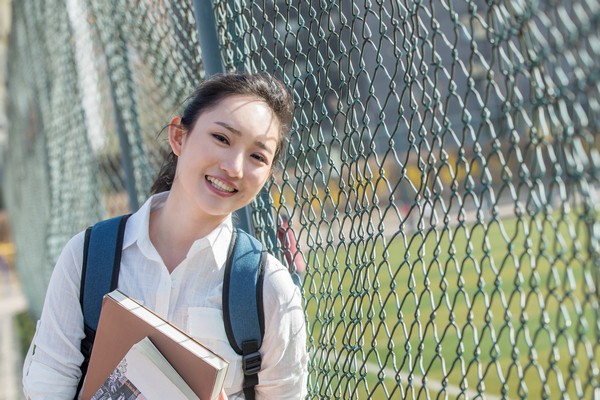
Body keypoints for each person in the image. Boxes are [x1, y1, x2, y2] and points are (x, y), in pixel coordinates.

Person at [22, 73, 308, 399]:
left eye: (257, 156)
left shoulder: (268, 289)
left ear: (268, 174)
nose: (235, 167)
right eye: (222, 138)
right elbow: (48, 385)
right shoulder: (88, 256)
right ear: (178, 137)